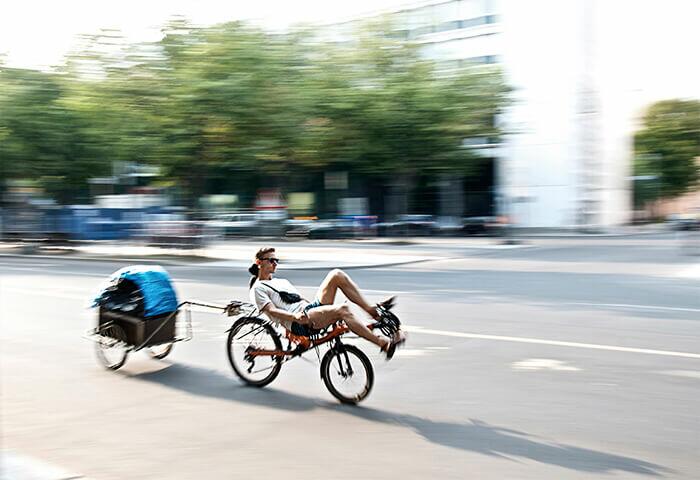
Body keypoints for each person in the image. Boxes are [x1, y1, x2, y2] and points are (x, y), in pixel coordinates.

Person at [248, 246, 406, 359]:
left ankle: (373, 312)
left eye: (277, 260)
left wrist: (321, 311)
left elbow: (300, 301)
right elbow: (271, 312)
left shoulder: (281, 281)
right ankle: (382, 344)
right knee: (343, 310)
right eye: (271, 260)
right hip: (299, 322)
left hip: (308, 310)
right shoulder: (258, 288)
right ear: (259, 262)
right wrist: (295, 318)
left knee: (336, 274)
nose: (275, 263)